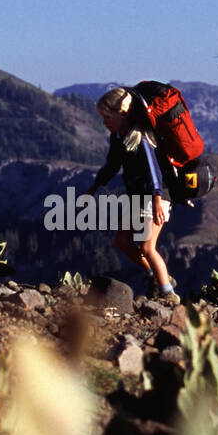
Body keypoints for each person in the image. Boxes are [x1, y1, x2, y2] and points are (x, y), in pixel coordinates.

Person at [87, 87, 179, 302]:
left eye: (108, 117)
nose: (105, 123)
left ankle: (168, 293)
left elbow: (153, 169)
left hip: (156, 196)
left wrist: (157, 199)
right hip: (137, 196)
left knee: (147, 246)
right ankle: (155, 275)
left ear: (123, 114)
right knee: (122, 242)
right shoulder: (119, 138)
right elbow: (112, 165)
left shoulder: (141, 138)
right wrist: (95, 186)